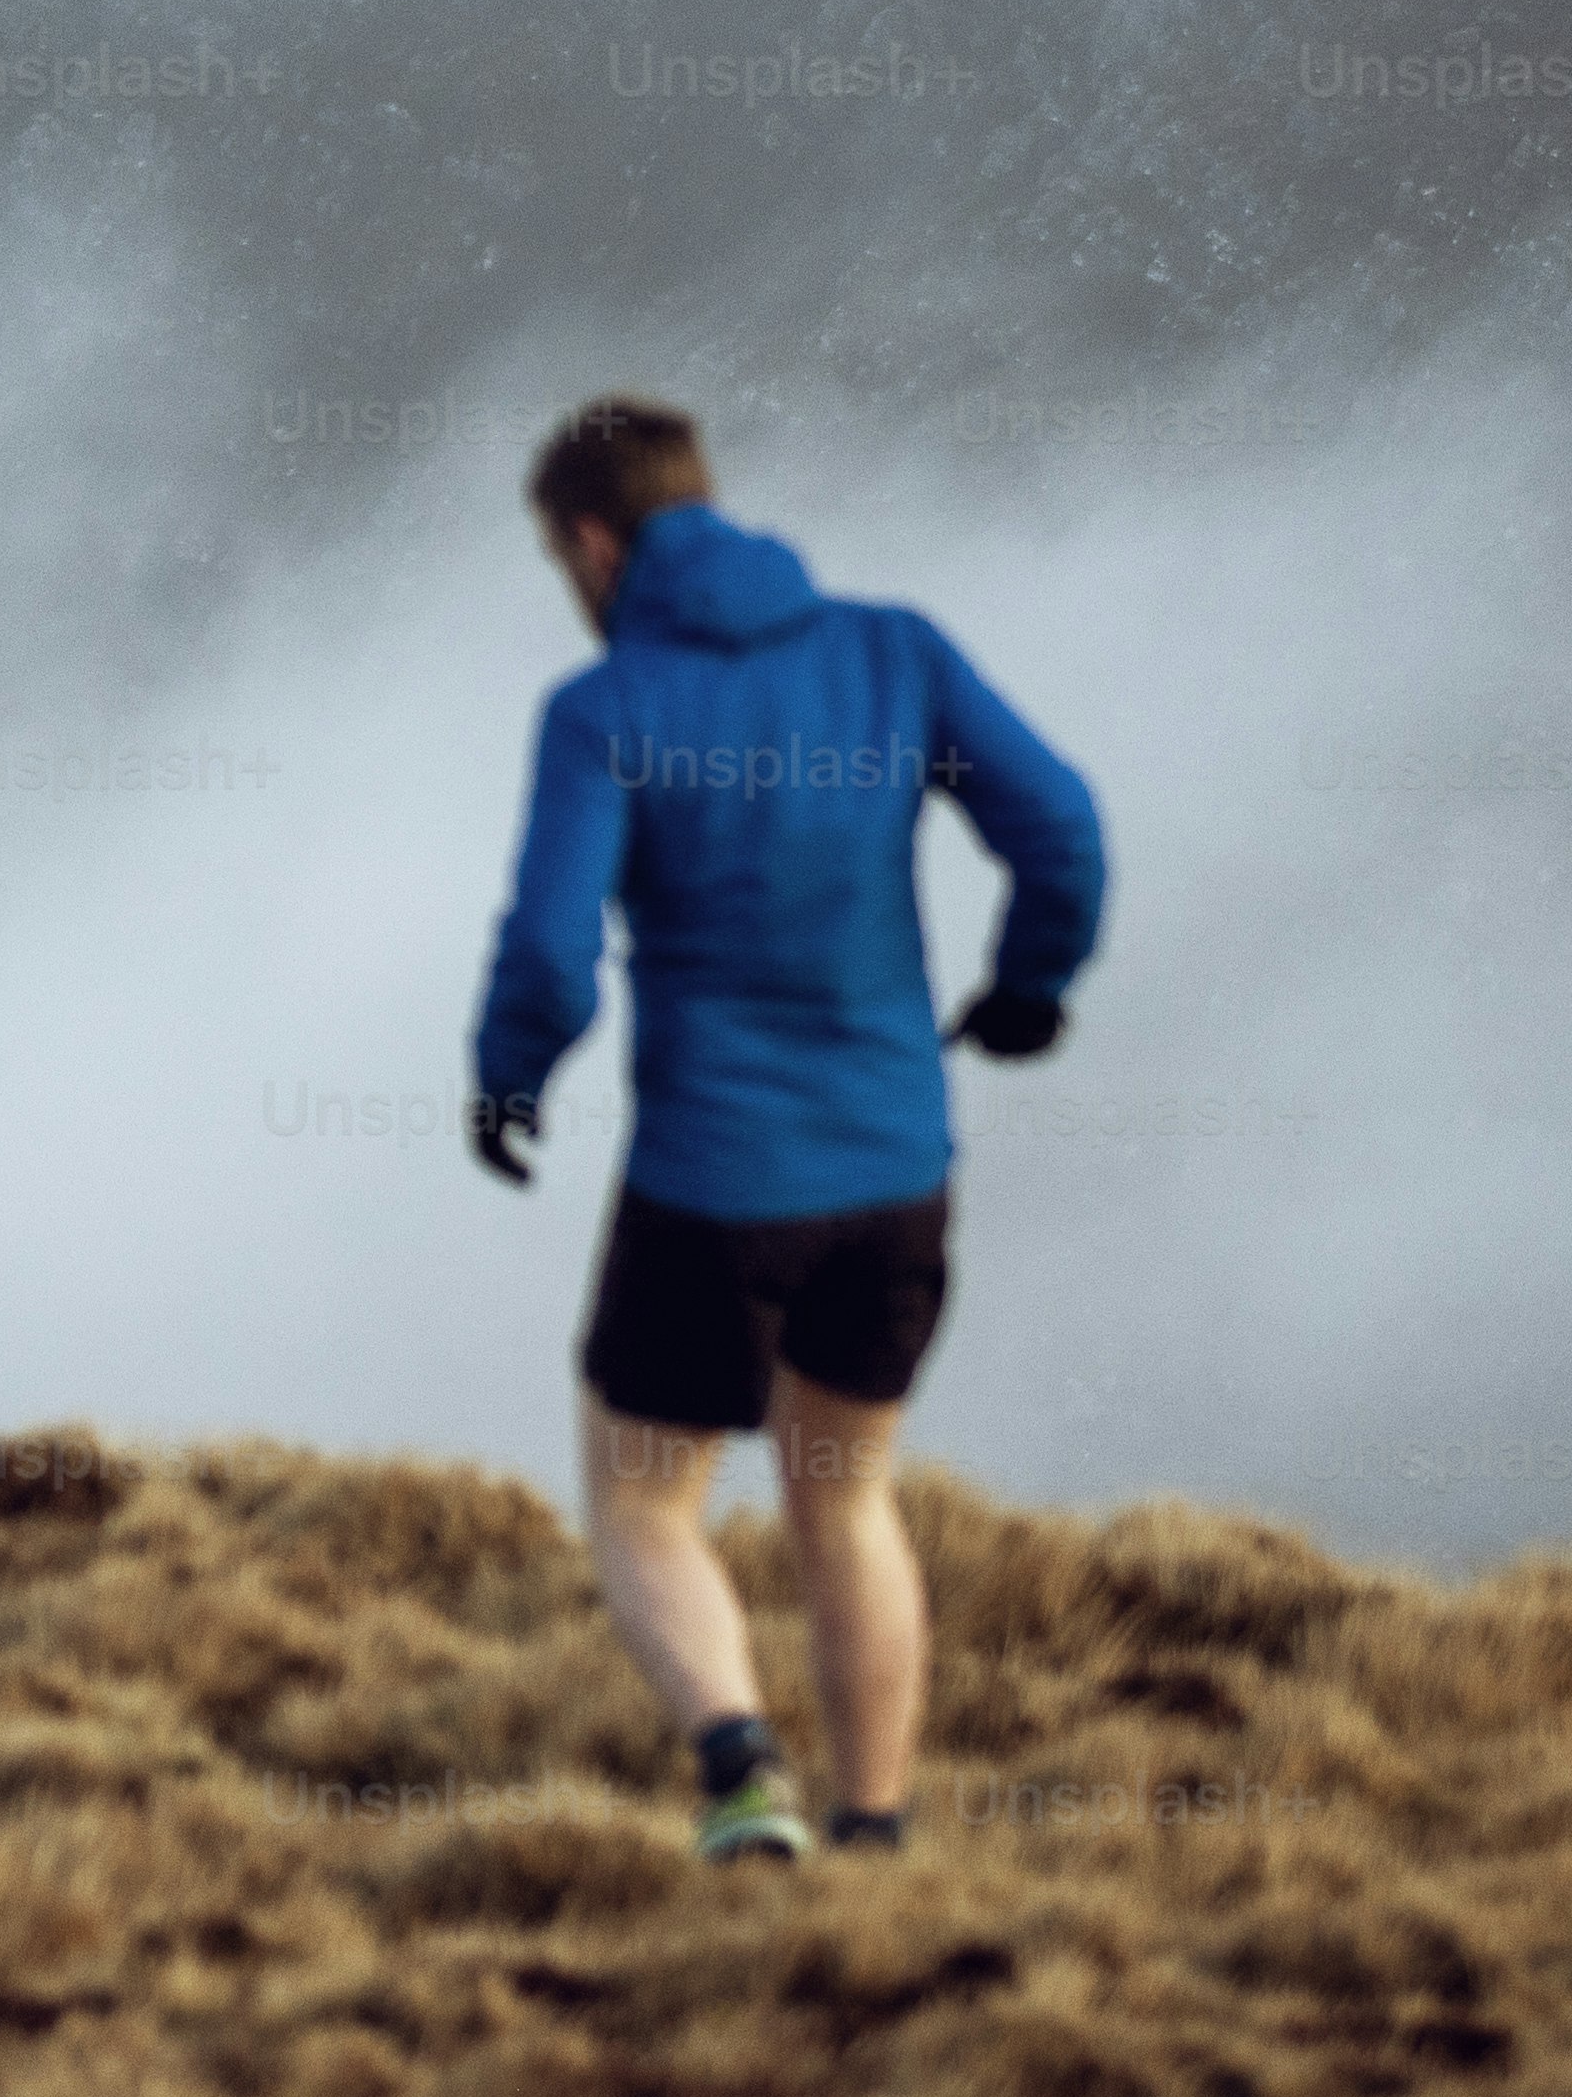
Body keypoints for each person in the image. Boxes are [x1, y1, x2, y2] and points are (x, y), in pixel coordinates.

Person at [462, 396, 1103, 1863]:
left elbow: (555, 957)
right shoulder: (894, 652)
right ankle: (873, 1832)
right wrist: (1029, 988)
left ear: (588, 541)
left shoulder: (605, 710)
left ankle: (740, 1769)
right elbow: (1058, 824)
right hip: (894, 1172)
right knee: (845, 1494)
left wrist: (509, 1081)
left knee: (640, 1503)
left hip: (711, 1186)